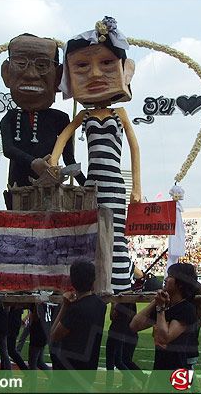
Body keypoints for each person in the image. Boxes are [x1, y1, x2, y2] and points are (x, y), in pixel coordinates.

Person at [49, 16, 141, 293]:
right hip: (92, 183)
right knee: (90, 232)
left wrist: (137, 186)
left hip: (114, 181)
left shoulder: (120, 113)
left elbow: (135, 148)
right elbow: (63, 136)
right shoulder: (85, 115)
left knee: (115, 232)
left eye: (106, 64)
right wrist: (53, 161)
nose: (96, 74)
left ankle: (119, 282)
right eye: (82, 67)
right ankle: (91, 282)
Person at [0, 33, 86, 210]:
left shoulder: (60, 119)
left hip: (50, 190)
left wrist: (85, 184)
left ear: (58, 76)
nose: (31, 74)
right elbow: (8, 149)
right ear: (6, 72)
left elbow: (69, 158)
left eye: (41, 66)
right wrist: (34, 163)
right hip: (18, 188)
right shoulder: (10, 118)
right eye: (20, 64)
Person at [129, 263, 198, 373]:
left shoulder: (186, 309)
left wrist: (160, 308)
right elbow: (134, 326)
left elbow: (165, 338)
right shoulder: (165, 305)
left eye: (170, 276)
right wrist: (155, 302)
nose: (165, 279)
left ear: (180, 283)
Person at [50, 260, 106, 371]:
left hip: (69, 371)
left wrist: (65, 306)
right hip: (89, 369)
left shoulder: (75, 309)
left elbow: (54, 336)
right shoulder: (101, 305)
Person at [7, 305, 29, 370]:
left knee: (10, 351)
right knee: (6, 351)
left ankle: (25, 370)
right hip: (13, 324)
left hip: (11, 325)